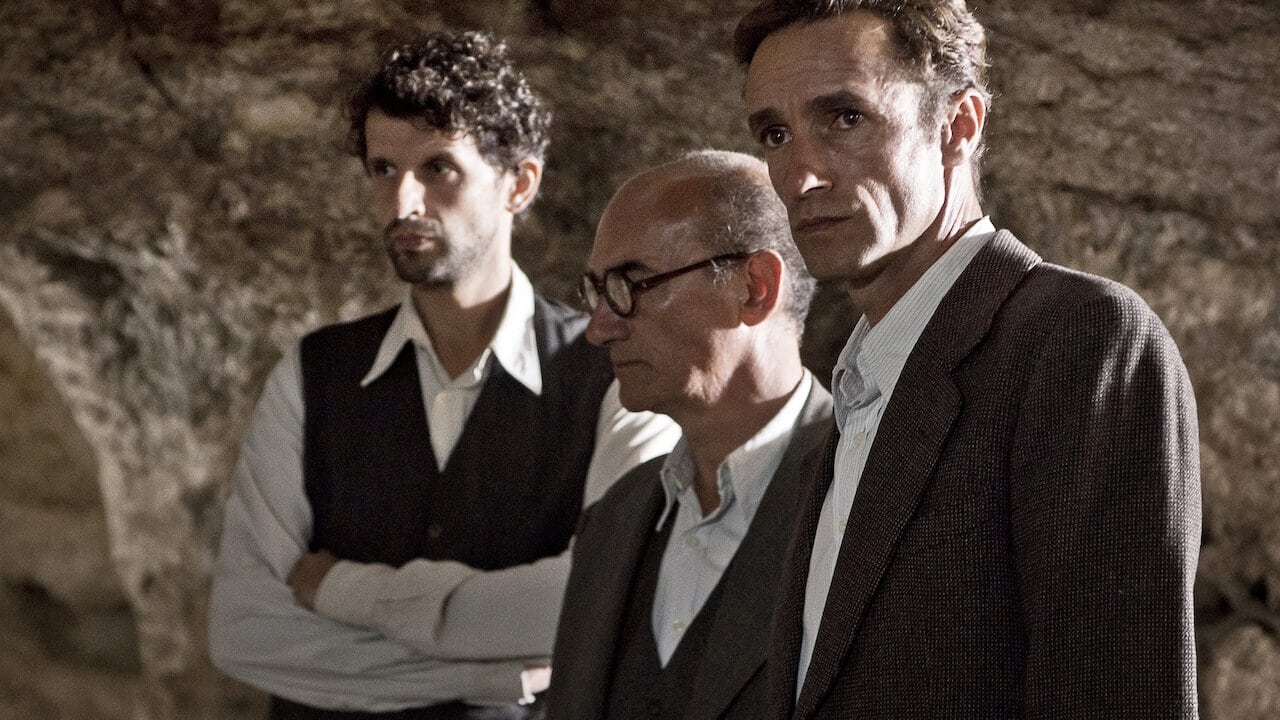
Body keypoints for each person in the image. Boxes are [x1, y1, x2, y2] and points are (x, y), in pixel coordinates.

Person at [735, 1, 1202, 718]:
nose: (799, 177)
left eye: (845, 118)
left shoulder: (1082, 339)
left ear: (959, 125)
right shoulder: (857, 394)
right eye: (776, 134)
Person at [208, 31, 678, 719]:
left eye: (437, 168)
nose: (403, 202)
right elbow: (244, 630)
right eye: (383, 168)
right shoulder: (311, 374)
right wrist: (493, 676)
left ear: (519, 182)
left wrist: (339, 590)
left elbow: (603, 600)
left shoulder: (616, 373)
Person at [544, 150, 831, 720]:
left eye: (630, 284)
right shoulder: (611, 521)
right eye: (595, 291)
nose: (599, 327)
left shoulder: (868, 501)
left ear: (755, 287)